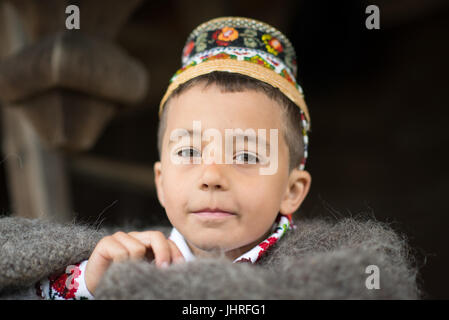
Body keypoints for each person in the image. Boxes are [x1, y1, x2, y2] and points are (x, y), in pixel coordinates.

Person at [0, 17, 420, 300]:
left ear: (292, 191)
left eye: (245, 154)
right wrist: (92, 285)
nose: (212, 175)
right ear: (161, 182)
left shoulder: (332, 265)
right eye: (188, 151)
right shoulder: (128, 261)